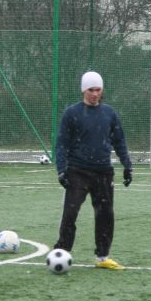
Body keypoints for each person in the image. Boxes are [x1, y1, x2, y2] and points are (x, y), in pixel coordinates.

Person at [54, 71, 133, 270]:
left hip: (103, 172)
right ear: (84, 90)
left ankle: (102, 257)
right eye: (91, 90)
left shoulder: (109, 113)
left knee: (105, 214)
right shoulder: (72, 113)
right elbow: (61, 144)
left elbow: (119, 140)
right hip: (77, 171)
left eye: (98, 89)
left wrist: (127, 165)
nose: (95, 93)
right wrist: (61, 170)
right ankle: (62, 252)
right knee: (70, 213)